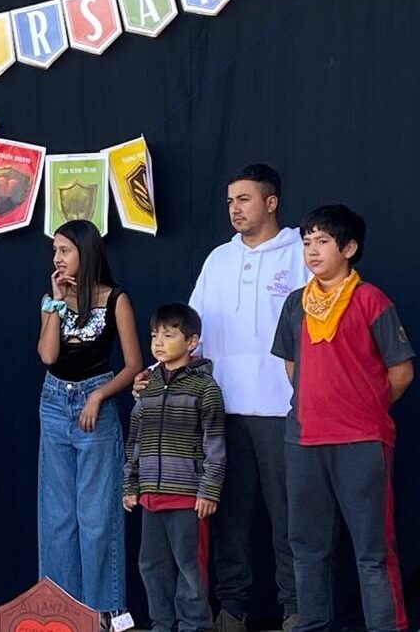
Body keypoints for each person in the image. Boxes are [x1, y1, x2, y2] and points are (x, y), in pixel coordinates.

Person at [137, 164, 305, 630]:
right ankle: (233, 610)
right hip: (219, 410)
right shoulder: (218, 259)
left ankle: (296, 609)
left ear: (271, 202)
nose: (234, 208)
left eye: (245, 199)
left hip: (281, 409)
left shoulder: (299, 255)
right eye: (230, 200)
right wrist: (156, 373)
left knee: (287, 518)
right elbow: (192, 334)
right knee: (228, 519)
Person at [272, 205, 413, 632]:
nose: (312, 251)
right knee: (306, 544)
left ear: (349, 248)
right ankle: (312, 622)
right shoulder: (296, 303)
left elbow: (402, 371)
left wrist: (362, 408)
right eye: (307, 242)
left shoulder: (372, 300)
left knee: (372, 548)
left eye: (324, 242)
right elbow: (292, 366)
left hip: (361, 440)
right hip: (304, 440)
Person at [36, 219, 143, 619]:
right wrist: (54, 302)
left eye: (65, 250)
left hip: (93, 401)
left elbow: (133, 364)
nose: (57, 258)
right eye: (55, 252)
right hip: (53, 401)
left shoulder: (116, 299)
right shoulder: (53, 299)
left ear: (87, 252)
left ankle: (104, 615)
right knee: (57, 516)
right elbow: (47, 356)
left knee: (97, 518)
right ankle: (61, 615)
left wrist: (98, 395)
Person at [123, 303, 225, 632]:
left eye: (169, 335)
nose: (159, 342)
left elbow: (215, 444)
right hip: (151, 497)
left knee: (189, 567)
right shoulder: (147, 387)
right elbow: (134, 440)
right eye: (155, 335)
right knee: (151, 565)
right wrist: (131, 485)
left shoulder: (205, 388)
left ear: (192, 342)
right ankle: (162, 624)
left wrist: (209, 490)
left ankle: (194, 625)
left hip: (187, 498)